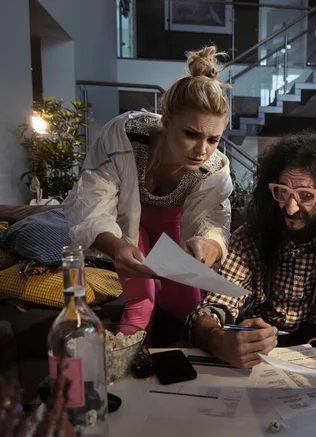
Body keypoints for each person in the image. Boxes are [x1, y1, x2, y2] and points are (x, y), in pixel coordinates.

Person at [186, 130, 316, 395]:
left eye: (305, 195)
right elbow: (211, 307)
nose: (290, 208)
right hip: (255, 364)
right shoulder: (251, 238)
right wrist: (217, 339)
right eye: (282, 192)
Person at [64, 46, 232, 344]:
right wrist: (115, 245)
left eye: (213, 139)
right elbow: (92, 195)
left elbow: (213, 219)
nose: (203, 150)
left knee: (188, 304)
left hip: (172, 223)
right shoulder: (126, 133)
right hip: (128, 220)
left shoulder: (215, 167)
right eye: (192, 134)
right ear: (166, 123)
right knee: (141, 303)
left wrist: (211, 245)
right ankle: (124, 374)